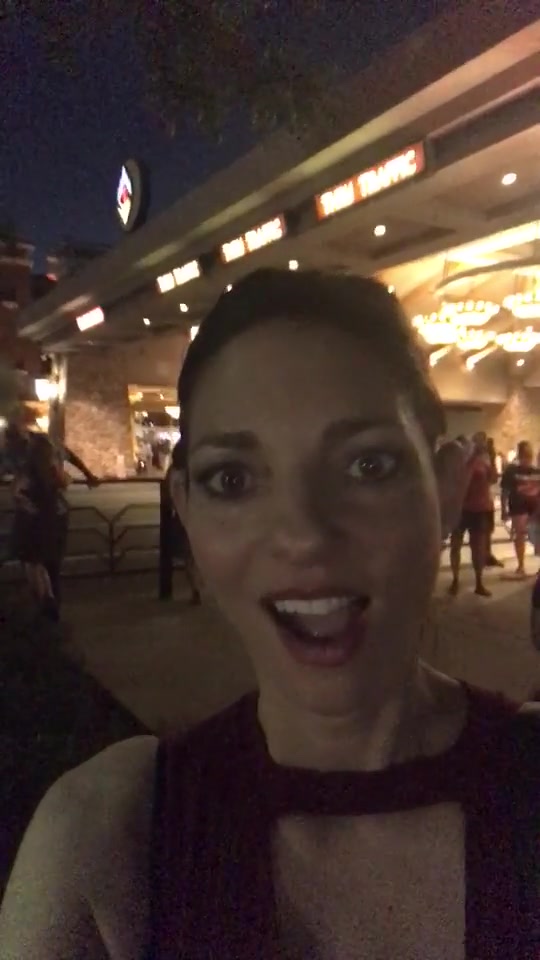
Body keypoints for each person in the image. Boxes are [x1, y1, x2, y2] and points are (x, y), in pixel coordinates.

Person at [0, 270, 538, 960]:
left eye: (368, 465)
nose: (304, 534)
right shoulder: (108, 837)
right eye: (233, 479)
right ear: (187, 512)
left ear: (446, 487)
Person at [11, 433, 69, 620]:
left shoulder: (27, 469)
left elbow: (17, 492)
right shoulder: (51, 469)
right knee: (48, 563)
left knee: (33, 562)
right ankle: (51, 601)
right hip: (50, 519)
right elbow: (64, 482)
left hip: (31, 521)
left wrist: (27, 505)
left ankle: (44, 599)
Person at [448, 431, 496, 597]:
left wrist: (492, 457)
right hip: (460, 509)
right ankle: (455, 580)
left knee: (478, 548)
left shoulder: (482, 462)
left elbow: (493, 479)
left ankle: (479, 582)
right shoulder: (459, 463)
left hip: (479, 509)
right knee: (456, 545)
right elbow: (461, 481)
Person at [501, 439, 540, 578]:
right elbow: (505, 491)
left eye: (529, 455)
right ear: (520, 455)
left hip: (534, 506)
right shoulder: (511, 470)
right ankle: (521, 565)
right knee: (520, 534)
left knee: (536, 535)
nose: (527, 458)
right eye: (525, 455)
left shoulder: (536, 470)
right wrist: (504, 509)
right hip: (518, 506)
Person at [485, 436, 504, 568]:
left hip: (486, 500)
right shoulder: (480, 462)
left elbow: (494, 479)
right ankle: (484, 556)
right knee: (483, 532)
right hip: (480, 501)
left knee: (487, 531)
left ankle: (487, 555)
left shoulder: (488, 462)